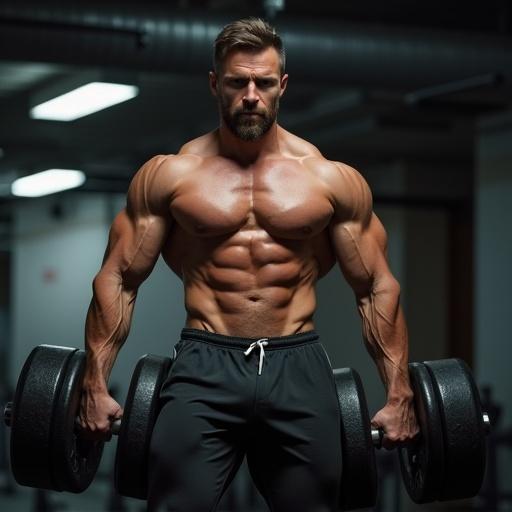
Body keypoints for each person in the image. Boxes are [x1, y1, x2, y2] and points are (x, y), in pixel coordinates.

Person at [79, 17, 419, 512]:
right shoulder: (170, 175)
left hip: (298, 362)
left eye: (263, 82)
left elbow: (375, 288)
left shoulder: (329, 179)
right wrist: (92, 382)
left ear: (282, 86)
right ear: (216, 84)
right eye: (238, 82)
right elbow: (119, 278)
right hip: (203, 362)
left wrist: (400, 391)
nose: (251, 96)